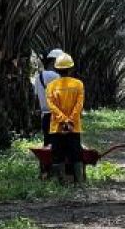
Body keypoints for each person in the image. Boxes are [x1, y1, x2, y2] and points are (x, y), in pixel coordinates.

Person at [46, 52, 85, 184]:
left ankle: (60, 182)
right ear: (71, 69)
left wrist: (62, 119)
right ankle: (78, 181)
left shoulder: (51, 86)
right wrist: (70, 120)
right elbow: (79, 105)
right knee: (76, 153)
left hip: (57, 127)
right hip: (74, 127)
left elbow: (51, 106)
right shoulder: (78, 84)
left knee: (57, 155)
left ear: (56, 69)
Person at [32, 49, 64, 146]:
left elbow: (36, 97)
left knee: (47, 143)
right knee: (58, 144)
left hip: (45, 116)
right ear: (54, 61)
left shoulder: (38, 77)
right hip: (56, 115)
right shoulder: (57, 76)